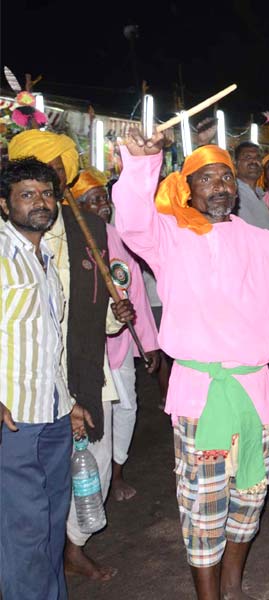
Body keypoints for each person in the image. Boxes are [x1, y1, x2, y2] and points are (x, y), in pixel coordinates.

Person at [114, 129, 269, 600]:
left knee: (250, 498)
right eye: (207, 179)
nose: (219, 187)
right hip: (200, 393)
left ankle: (233, 584)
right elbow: (131, 220)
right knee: (203, 508)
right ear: (187, 189)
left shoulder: (261, 241)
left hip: (255, 390)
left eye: (226, 179)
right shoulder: (167, 236)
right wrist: (139, 162)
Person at [8, 129, 135, 582]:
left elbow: (95, 305)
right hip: (24, 384)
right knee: (32, 496)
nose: (45, 194)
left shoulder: (88, 226)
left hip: (81, 369)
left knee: (91, 469)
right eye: (32, 188)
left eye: (53, 179)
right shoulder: (12, 244)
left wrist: (117, 315)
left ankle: (72, 547)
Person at [0, 158, 95, 600]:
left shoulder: (45, 256)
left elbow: (48, 341)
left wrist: (69, 401)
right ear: (4, 204)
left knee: (51, 527)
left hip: (54, 416)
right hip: (12, 421)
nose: (41, 202)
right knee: (24, 534)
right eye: (27, 194)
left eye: (46, 193)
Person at [72, 169, 162, 502]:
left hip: (120, 343)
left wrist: (149, 344)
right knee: (95, 417)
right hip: (87, 350)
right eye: (94, 201)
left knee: (127, 407)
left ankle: (118, 470)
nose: (104, 206)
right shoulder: (70, 239)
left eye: (103, 199)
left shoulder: (118, 237)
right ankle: (92, 484)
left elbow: (135, 292)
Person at [233, 141, 269, 230]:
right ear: (235, 164)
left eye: (258, 157)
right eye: (247, 157)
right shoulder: (233, 193)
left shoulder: (264, 195)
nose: (254, 161)